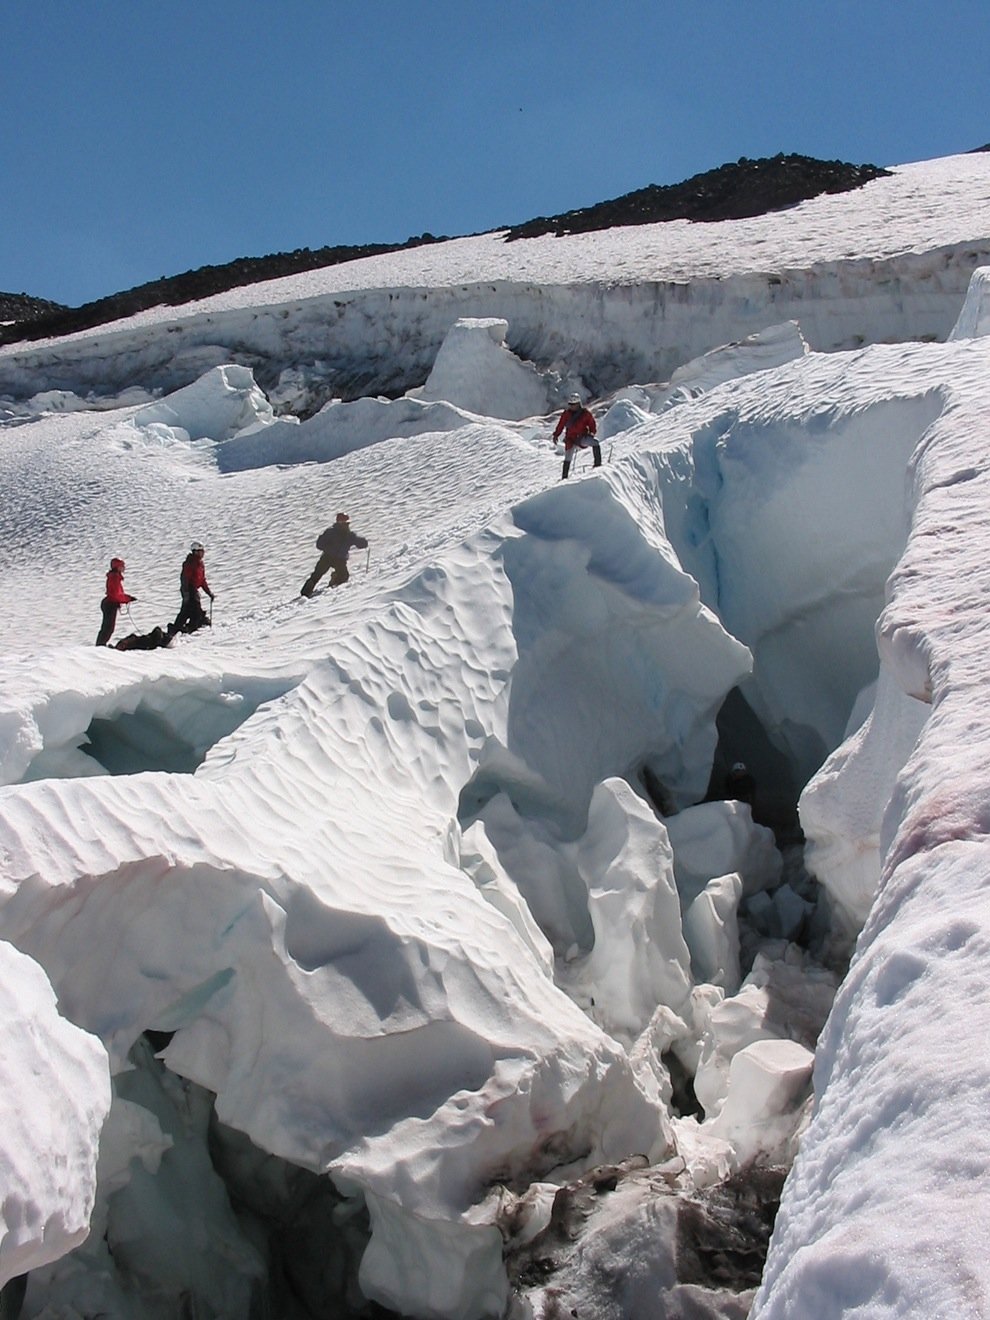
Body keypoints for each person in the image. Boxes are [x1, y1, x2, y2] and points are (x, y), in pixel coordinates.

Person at [301, 512, 369, 596]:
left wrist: (363, 542)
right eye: (345, 523)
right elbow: (319, 544)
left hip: (333, 558)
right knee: (320, 574)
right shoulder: (339, 533)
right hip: (333, 558)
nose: (346, 525)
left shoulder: (343, 534)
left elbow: (319, 544)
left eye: (347, 523)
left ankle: (331, 583)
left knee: (323, 575)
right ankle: (307, 593)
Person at [552, 394, 600, 479]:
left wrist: (592, 432)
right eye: (570, 404)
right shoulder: (566, 414)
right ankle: (564, 477)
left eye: (573, 404)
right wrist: (556, 434)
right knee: (568, 458)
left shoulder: (585, 413)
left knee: (595, 443)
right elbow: (561, 425)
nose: (571, 406)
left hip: (582, 437)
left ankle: (598, 465)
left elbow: (592, 423)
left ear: (578, 404)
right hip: (570, 439)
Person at [173, 541, 215, 634]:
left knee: (187, 611)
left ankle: (181, 628)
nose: (202, 553)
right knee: (194, 610)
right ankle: (189, 628)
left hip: (194, 590)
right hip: (189, 589)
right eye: (200, 551)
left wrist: (209, 593)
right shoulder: (190, 563)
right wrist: (187, 592)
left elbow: (202, 580)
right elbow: (185, 578)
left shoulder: (200, 564)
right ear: (195, 552)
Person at [96, 557, 135, 646]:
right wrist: (128, 598)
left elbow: (118, 594)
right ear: (117, 567)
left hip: (110, 603)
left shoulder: (115, 577)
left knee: (108, 627)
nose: (124, 567)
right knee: (108, 628)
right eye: (122, 566)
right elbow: (116, 595)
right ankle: (100, 646)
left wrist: (127, 598)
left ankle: (100, 645)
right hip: (110, 604)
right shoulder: (115, 578)